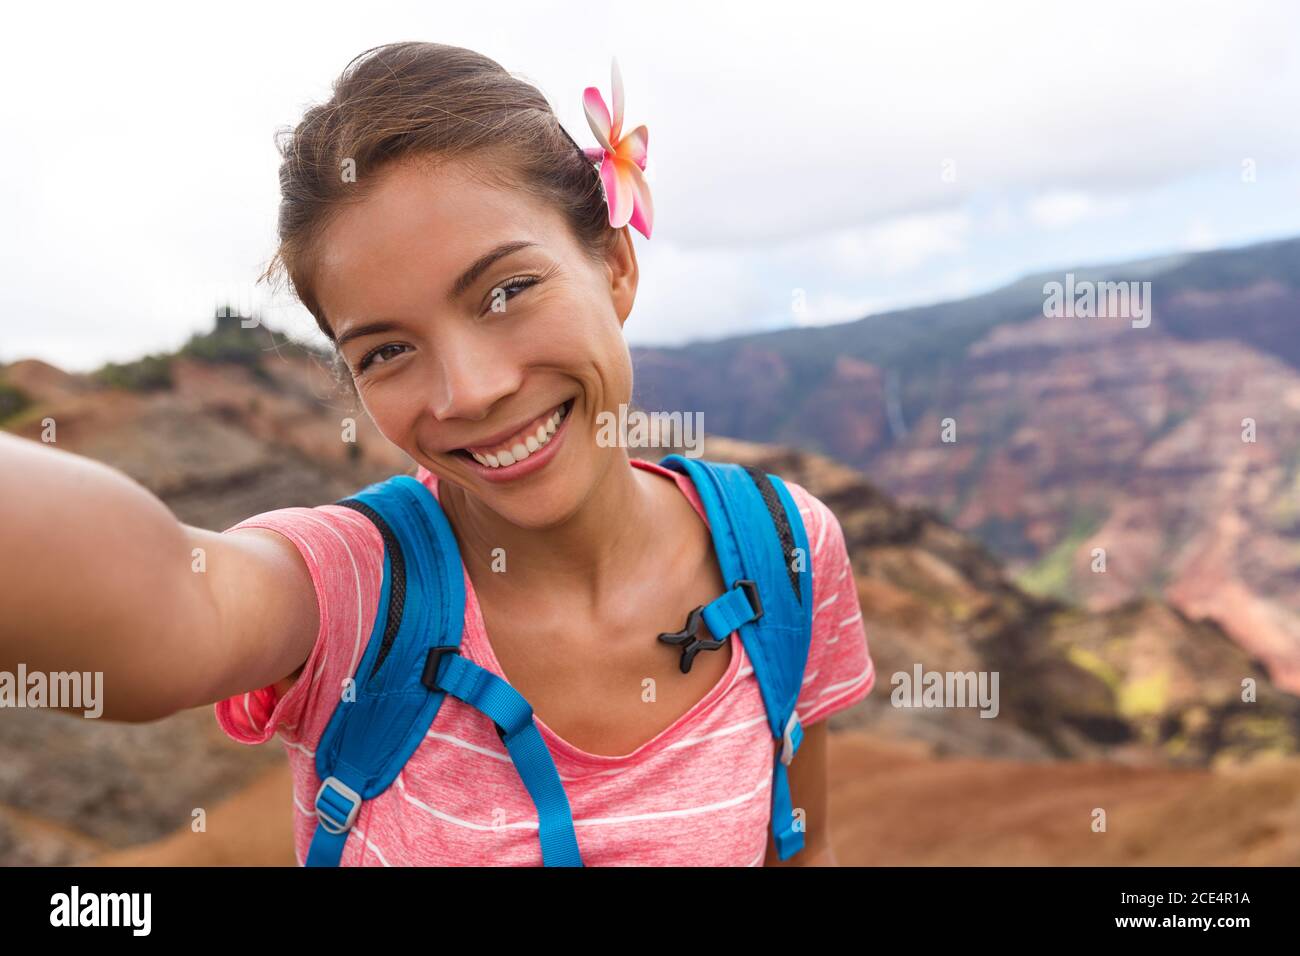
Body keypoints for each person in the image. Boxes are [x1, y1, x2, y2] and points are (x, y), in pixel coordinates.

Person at [0, 41, 875, 866]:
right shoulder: (354, 592)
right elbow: (165, 605)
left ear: (614, 264)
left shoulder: (784, 549)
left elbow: (804, 850)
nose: (470, 391)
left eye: (505, 291)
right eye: (386, 351)